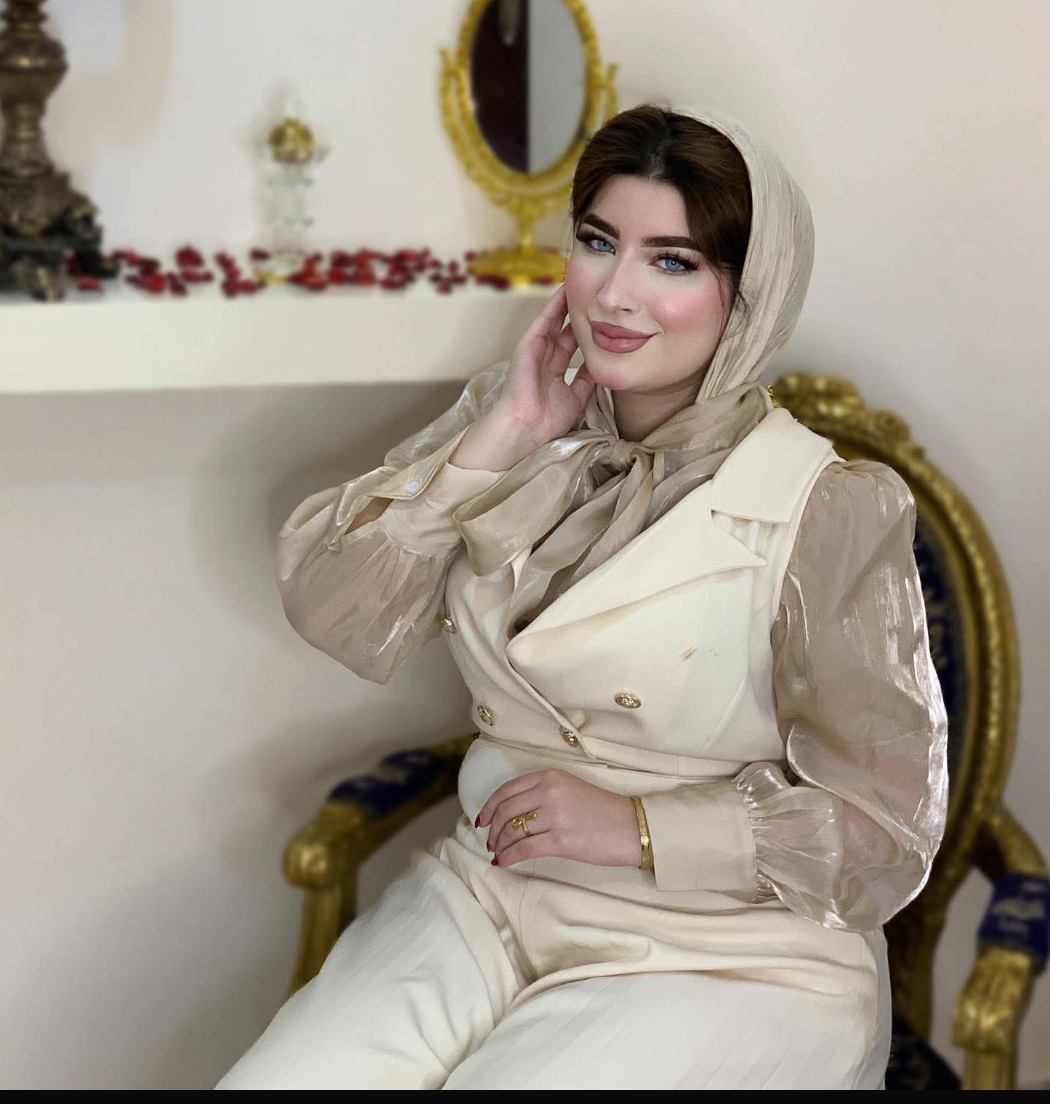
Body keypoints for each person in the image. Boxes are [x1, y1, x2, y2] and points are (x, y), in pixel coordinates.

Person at [216, 104, 948, 1090]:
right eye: (598, 241)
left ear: (750, 295)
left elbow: (886, 828)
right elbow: (332, 608)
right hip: (489, 894)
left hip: (730, 950)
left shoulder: (830, 506)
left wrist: (640, 826)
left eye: (671, 261)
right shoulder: (522, 422)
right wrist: (505, 435)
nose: (614, 291)